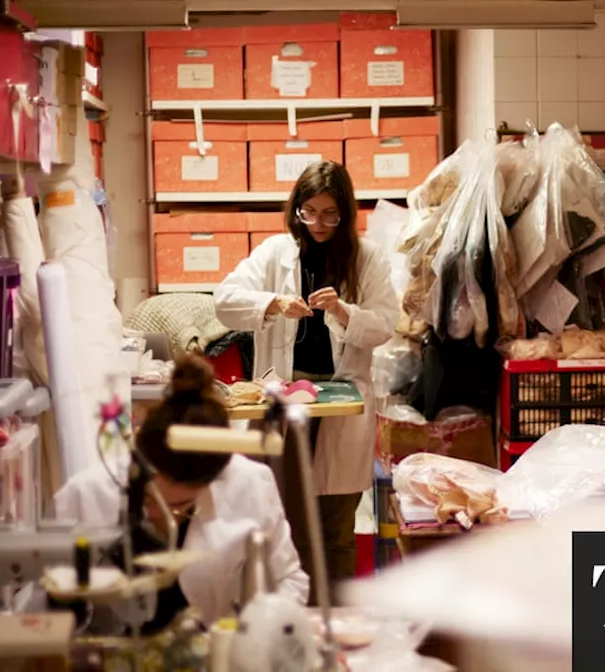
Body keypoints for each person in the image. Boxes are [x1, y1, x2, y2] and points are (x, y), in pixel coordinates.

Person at [214, 161, 399, 593]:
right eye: (309, 211)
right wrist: (273, 303)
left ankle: (333, 625)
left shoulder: (366, 258)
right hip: (282, 401)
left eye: (330, 213)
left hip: (341, 404)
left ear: (346, 212)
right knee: (281, 522)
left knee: (335, 530)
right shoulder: (275, 253)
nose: (318, 223)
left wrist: (341, 310)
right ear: (296, 209)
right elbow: (225, 301)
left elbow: (385, 324)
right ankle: (287, 626)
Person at [54, 355, 309, 631]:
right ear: (141, 462)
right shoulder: (86, 494)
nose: (160, 515)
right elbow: (40, 597)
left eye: (184, 506)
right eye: (151, 500)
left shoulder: (249, 483)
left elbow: (289, 580)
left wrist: (261, 631)